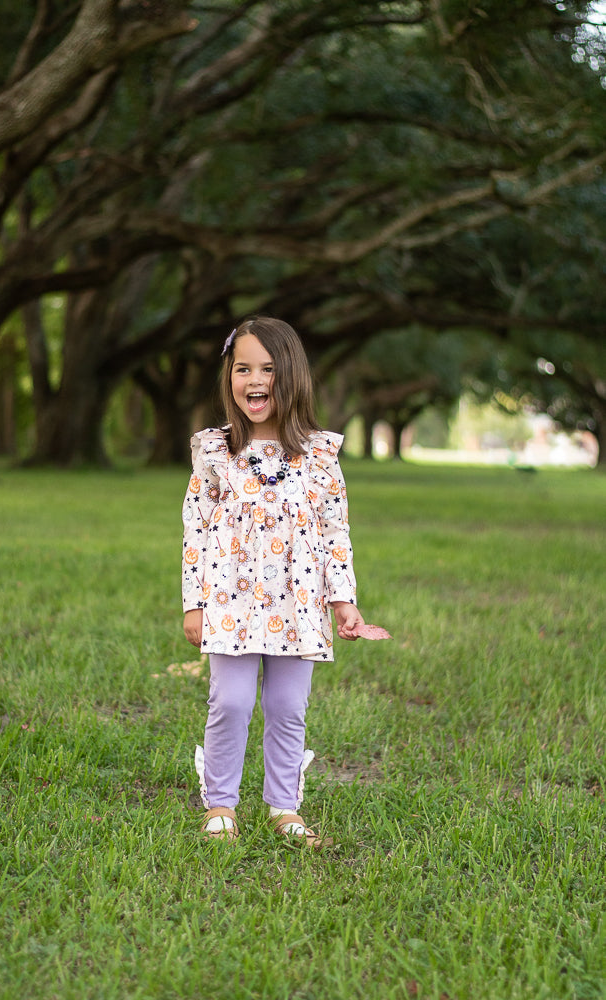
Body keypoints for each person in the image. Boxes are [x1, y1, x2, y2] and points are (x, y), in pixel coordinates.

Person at [181, 316, 364, 847]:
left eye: (268, 369)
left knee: (288, 707)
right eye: (243, 368)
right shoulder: (216, 451)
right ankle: (221, 802)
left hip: (298, 601)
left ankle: (284, 806)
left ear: (293, 376)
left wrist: (344, 599)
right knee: (231, 702)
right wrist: (194, 602)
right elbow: (195, 525)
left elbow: (335, 529)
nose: (254, 380)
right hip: (230, 599)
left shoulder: (319, 453)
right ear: (230, 376)